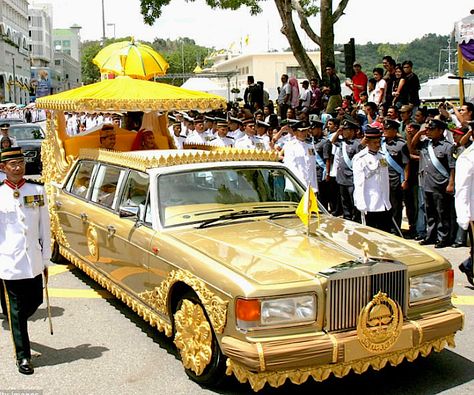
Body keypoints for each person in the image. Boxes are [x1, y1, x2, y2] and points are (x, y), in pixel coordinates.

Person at [0, 147, 52, 375]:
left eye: (20, 162)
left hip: (32, 260)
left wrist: (46, 259)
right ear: (3, 168)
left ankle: (18, 326)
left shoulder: (36, 190)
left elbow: (45, 228)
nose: (18, 167)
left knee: (35, 301)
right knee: (16, 309)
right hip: (9, 262)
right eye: (13, 164)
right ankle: (23, 356)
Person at [411, 119, 455, 248]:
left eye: (431, 129)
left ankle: (443, 238)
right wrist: (419, 133)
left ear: (440, 131)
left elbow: (452, 166)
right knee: (429, 212)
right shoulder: (426, 144)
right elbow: (412, 146)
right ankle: (431, 236)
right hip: (426, 183)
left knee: (442, 212)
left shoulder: (448, 146)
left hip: (441, 184)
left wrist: (451, 183)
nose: (428, 131)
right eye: (427, 129)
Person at [353, 127, 392, 232]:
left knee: (384, 234)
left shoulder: (382, 156)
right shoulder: (360, 158)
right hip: (369, 203)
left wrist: (386, 201)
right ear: (367, 142)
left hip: (383, 202)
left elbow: (384, 181)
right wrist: (361, 203)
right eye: (374, 142)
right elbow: (359, 183)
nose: (378, 144)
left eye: (379, 142)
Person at [331, 118, 363, 221]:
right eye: (343, 130)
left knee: (353, 200)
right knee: (344, 200)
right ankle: (347, 217)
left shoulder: (357, 144)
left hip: (351, 178)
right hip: (342, 178)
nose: (343, 132)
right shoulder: (342, 142)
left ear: (352, 131)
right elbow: (332, 141)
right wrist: (338, 132)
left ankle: (356, 218)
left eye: (346, 129)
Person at [455, 121, 474, 285]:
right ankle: (470, 266)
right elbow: (462, 188)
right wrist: (464, 216)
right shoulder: (468, 157)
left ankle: (469, 265)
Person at [281, 121, 318, 190]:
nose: (304, 133)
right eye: (302, 131)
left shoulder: (310, 146)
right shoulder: (290, 146)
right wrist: (302, 185)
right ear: (295, 132)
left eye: (306, 130)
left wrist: (314, 186)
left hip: (311, 186)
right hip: (297, 186)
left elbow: (312, 167)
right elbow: (291, 167)